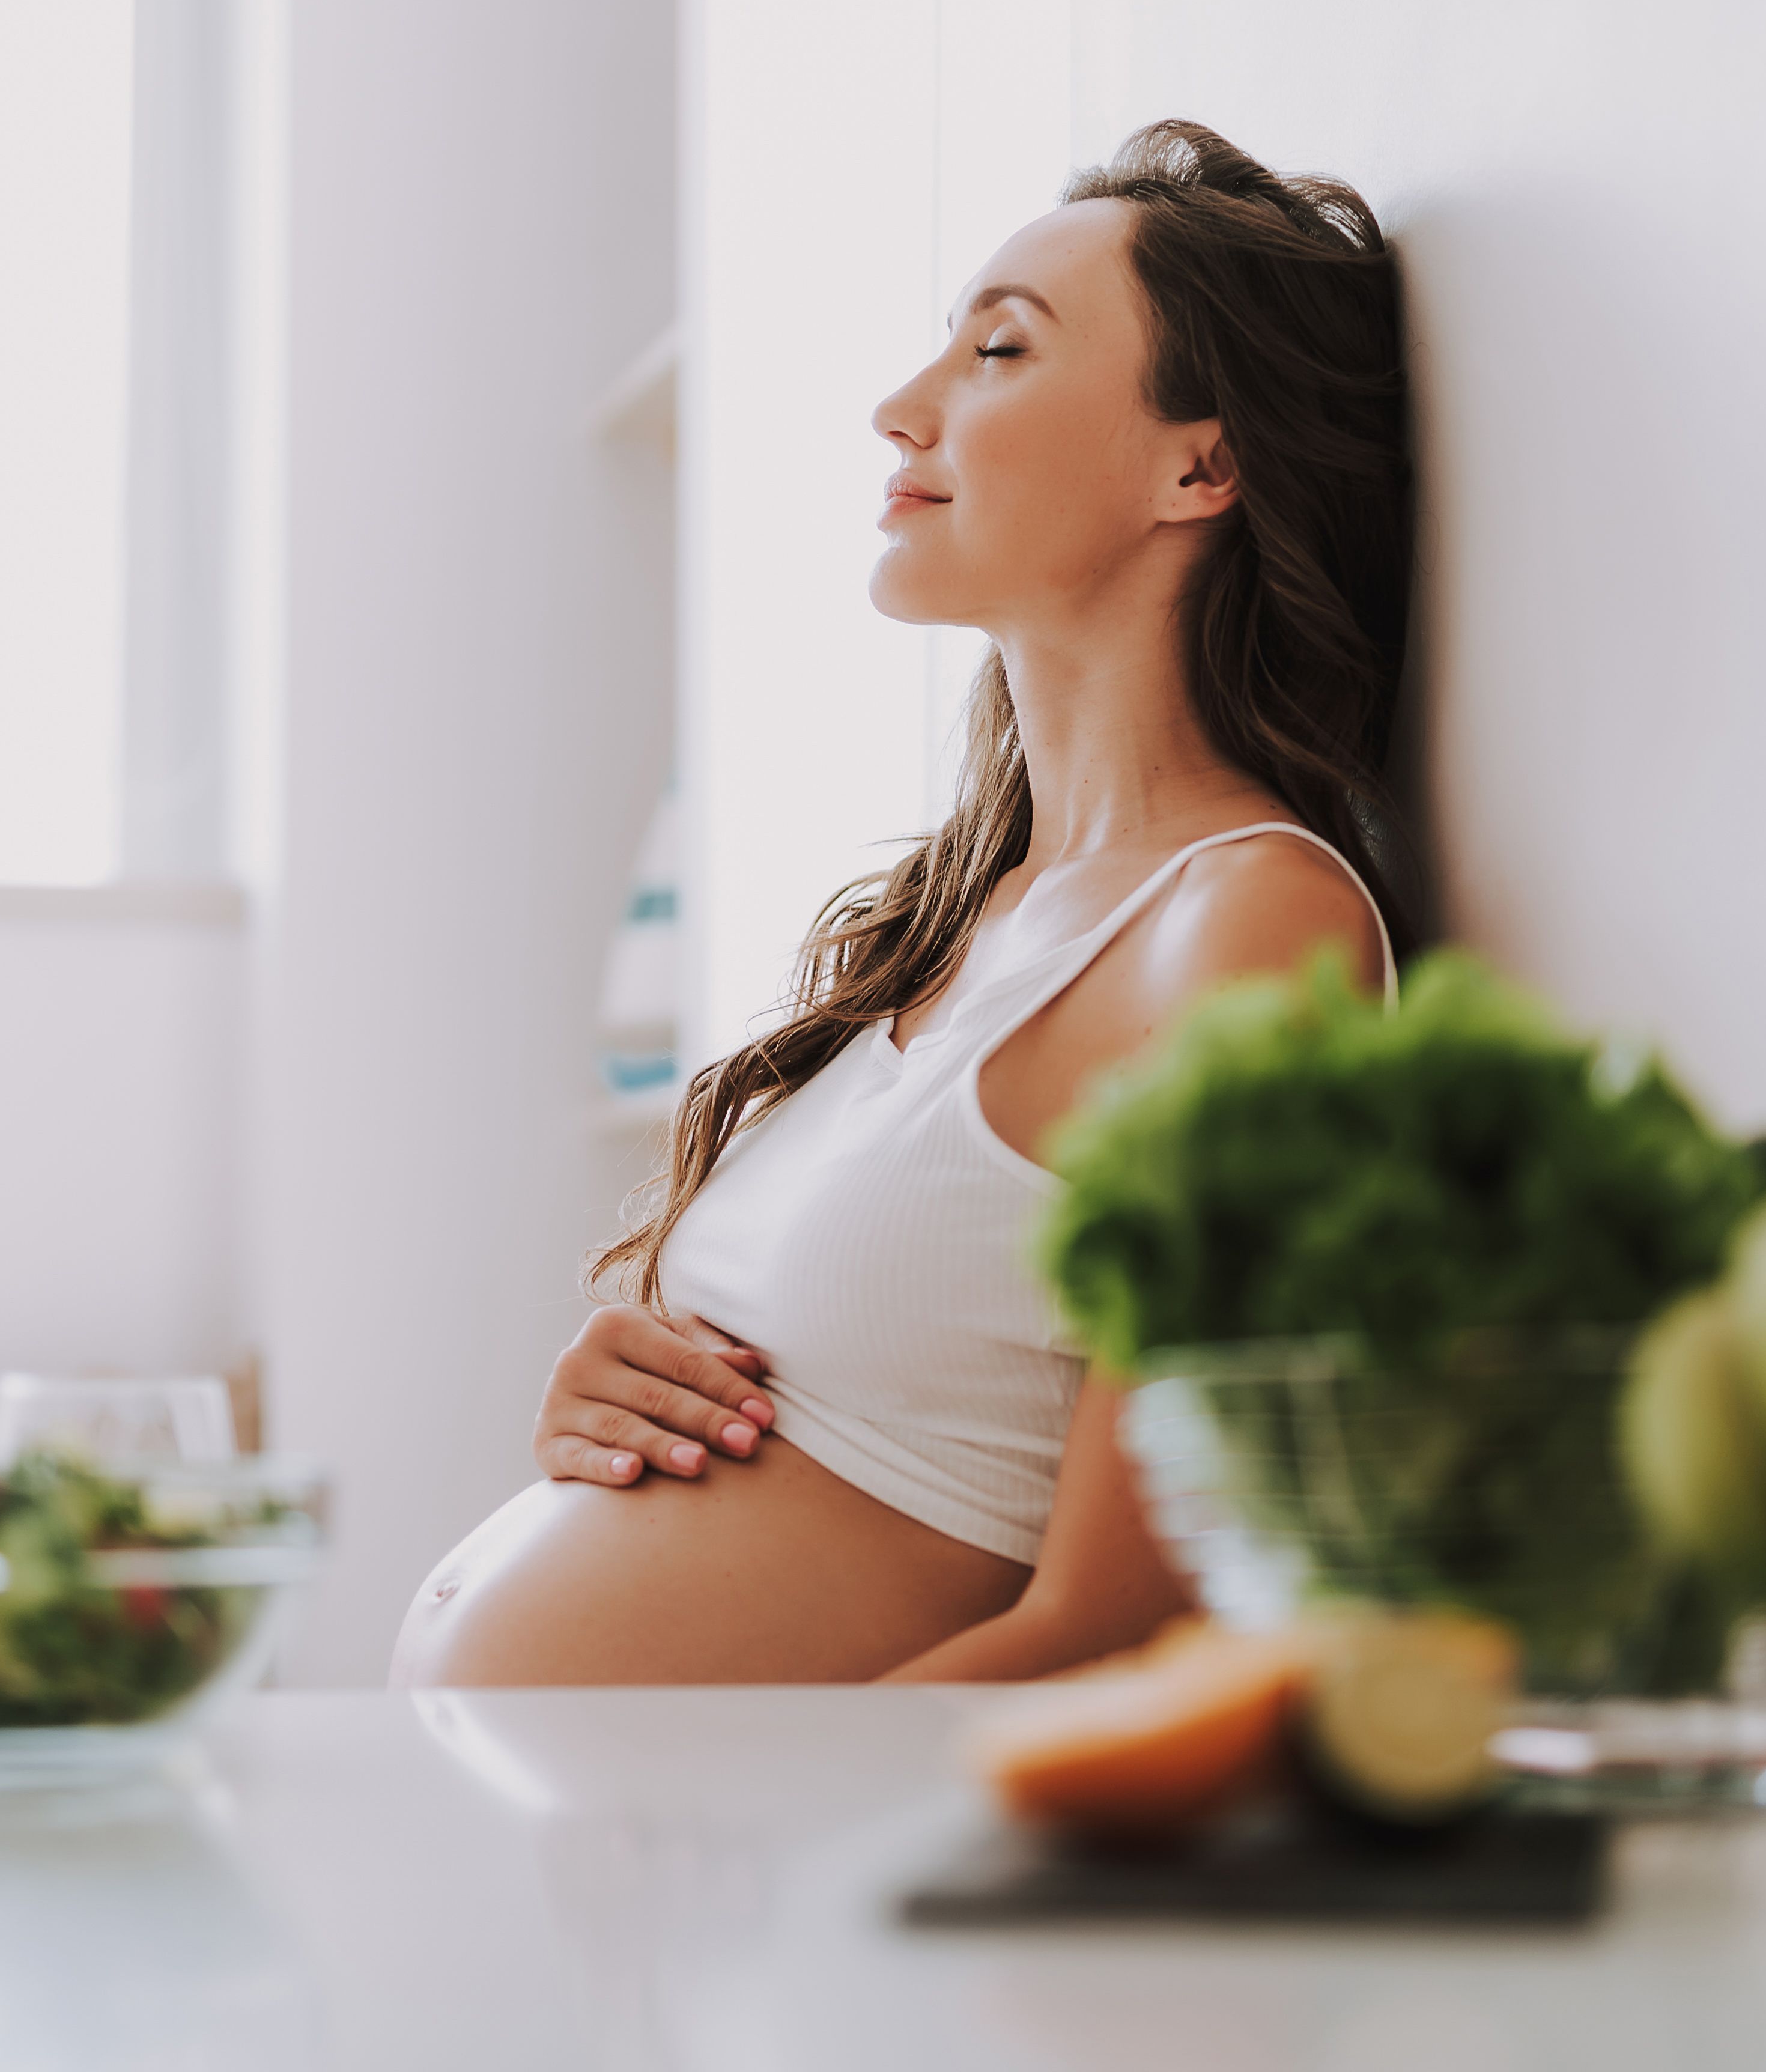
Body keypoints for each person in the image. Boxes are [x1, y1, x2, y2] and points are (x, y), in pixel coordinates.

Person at [392, 123, 1421, 1686]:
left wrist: (803, 1913)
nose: (903, 408)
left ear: (1198, 464)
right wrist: (610, 1407)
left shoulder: (1248, 933)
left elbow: (1130, 1629)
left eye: (1001, 347)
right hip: (606, 1873)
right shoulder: (965, 922)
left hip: (765, 1884)